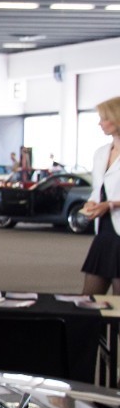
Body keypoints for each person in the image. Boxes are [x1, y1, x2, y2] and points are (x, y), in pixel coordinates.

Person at [82, 97, 120, 295]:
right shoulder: (101, 153)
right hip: (104, 233)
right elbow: (98, 189)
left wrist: (111, 204)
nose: (100, 123)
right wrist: (91, 202)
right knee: (88, 299)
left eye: (104, 118)